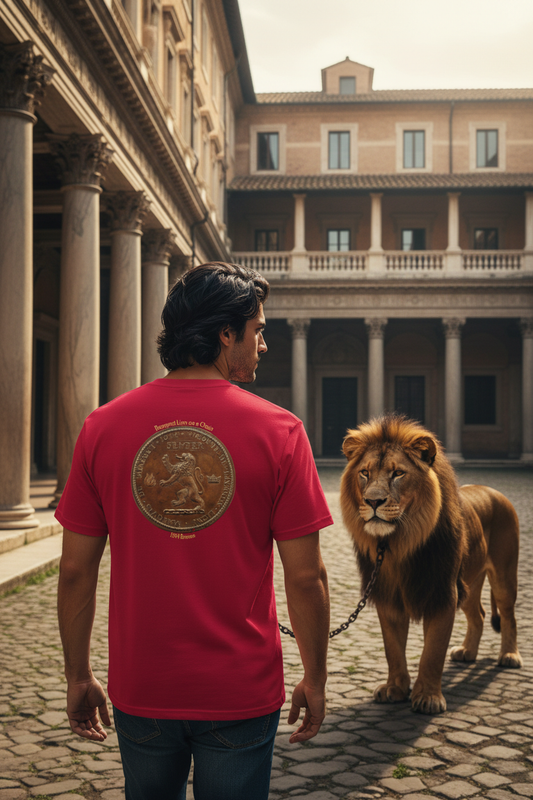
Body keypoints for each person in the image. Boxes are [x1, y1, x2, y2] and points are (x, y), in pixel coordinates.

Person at [56, 261, 332, 800]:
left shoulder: (103, 426)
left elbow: (73, 569)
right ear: (225, 334)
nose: (264, 345)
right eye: (258, 331)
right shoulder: (281, 431)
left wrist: (77, 675)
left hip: (143, 685)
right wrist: (316, 678)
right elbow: (307, 578)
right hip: (240, 688)